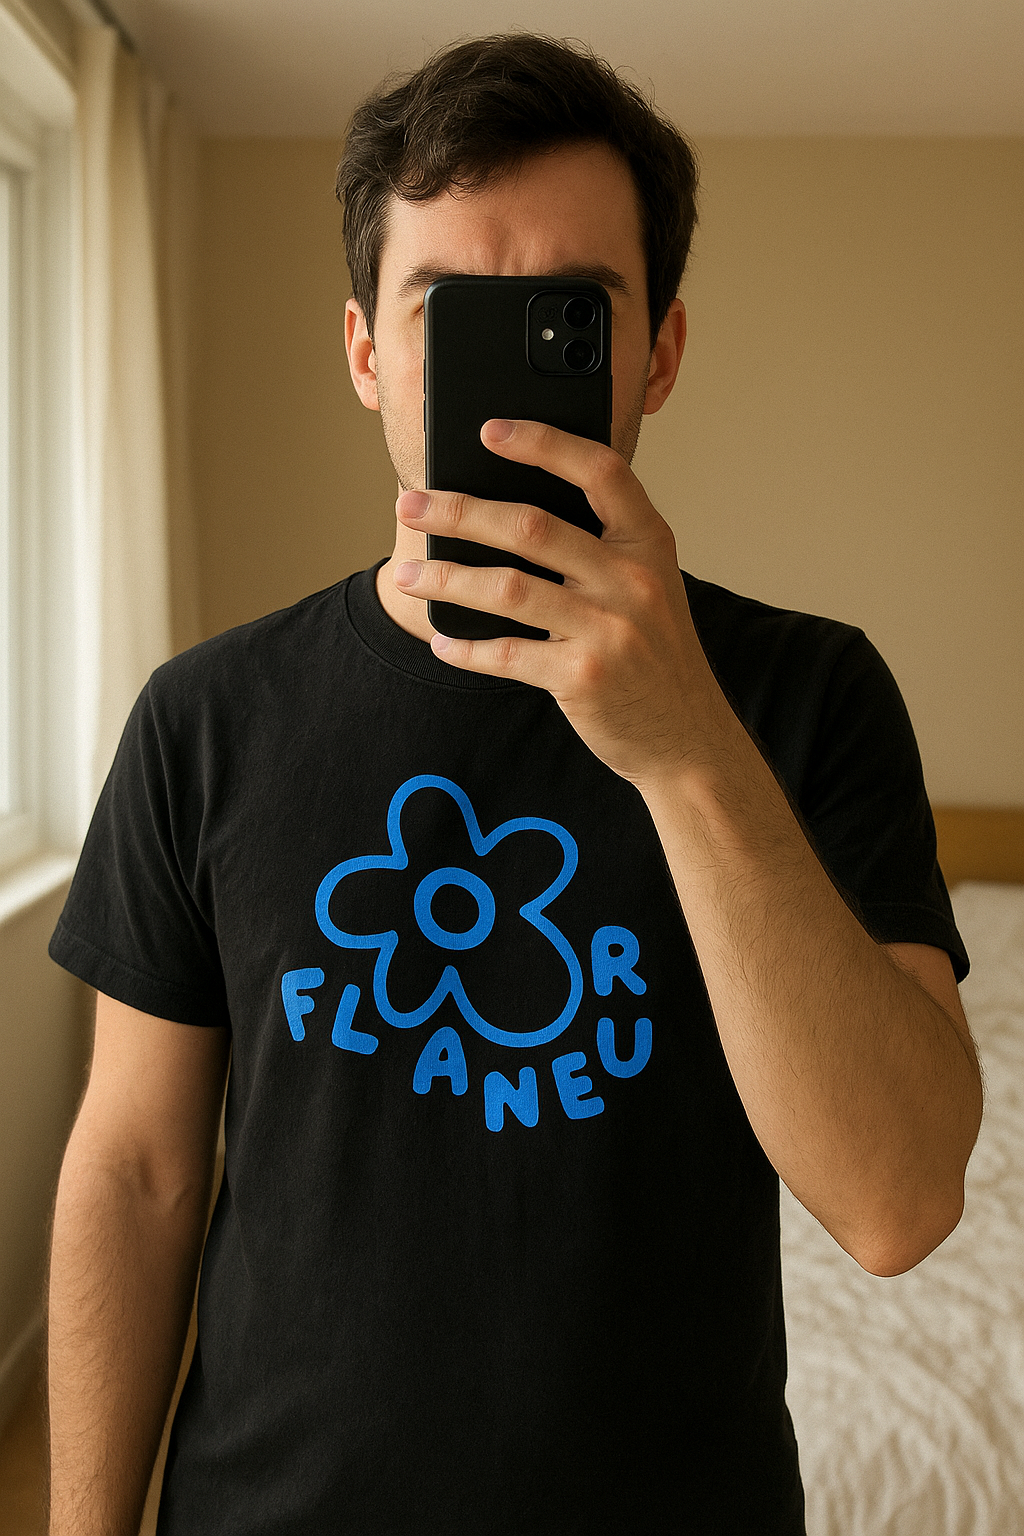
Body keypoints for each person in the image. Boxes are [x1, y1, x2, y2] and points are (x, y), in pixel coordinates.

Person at [46, 34, 983, 1536]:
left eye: (568, 316)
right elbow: (138, 1170)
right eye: (446, 311)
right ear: (366, 351)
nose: (505, 380)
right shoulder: (204, 720)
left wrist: (686, 746)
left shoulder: (809, 697)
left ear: (657, 351)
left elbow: (899, 1202)